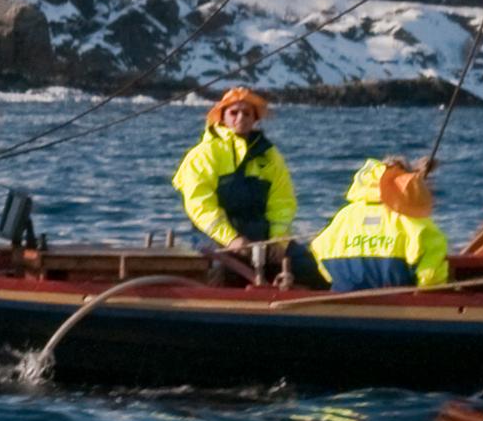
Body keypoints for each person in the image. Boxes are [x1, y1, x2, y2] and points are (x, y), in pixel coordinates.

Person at [174, 88, 302, 285]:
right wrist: (231, 239)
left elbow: (282, 202)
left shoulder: (270, 156)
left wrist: (278, 240)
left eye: (247, 113)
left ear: (255, 119)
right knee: (220, 271)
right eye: (234, 112)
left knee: (307, 264)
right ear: (222, 117)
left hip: (261, 237)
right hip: (212, 239)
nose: (240, 117)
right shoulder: (202, 155)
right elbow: (200, 206)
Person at [312, 157, 453, 293]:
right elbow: (431, 276)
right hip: (400, 302)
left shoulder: (344, 216)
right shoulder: (413, 220)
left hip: (345, 297)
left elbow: (318, 250)